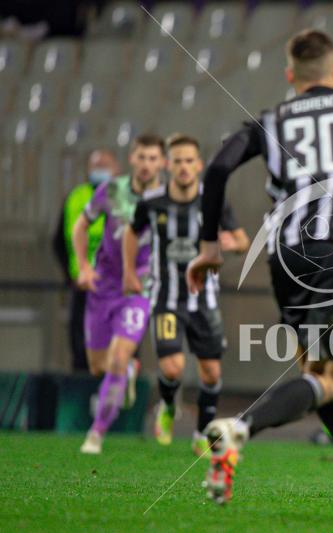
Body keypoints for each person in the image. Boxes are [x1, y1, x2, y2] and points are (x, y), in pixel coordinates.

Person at [186, 29, 333, 521]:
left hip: (285, 255)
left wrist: (208, 246)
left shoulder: (271, 119)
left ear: (290, 75)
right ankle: (239, 429)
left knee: (318, 379)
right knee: (328, 380)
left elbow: (217, 169)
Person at [124, 134, 249, 456]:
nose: (183, 167)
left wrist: (229, 243)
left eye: (189, 161)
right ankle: (167, 406)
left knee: (211, 373)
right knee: (172, 368)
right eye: (177, 161)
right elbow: (131, 233)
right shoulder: (152, 201)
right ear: (168, 165)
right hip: (166, 297)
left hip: (205, 300)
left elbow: (243, 240)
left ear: (198, 165)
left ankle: (201, 434)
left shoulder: (213, 200)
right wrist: (129, 272)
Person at [76, 133, 166, 454]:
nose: (146, 164)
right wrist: (83, 267)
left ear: (162, 162)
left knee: (117, 358)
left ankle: (96, 434)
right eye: (141, 157)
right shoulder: (111, 190)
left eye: (153, 158)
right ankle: (126, 371)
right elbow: (80, 226)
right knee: (98, 366)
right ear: (131, 158)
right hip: (103, 286)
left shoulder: (167, 198)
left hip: (139, 289)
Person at [52, 148, 119, 371]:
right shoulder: (76, 197)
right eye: (96, 166)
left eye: (105, 166)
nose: (100, 171)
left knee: (118, 348)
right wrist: (72, 275)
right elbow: (59, 242)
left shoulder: (125, 198)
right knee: (81, 348)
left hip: (116, 289)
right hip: (83, 288)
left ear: (116, 169)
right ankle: (83, 389)